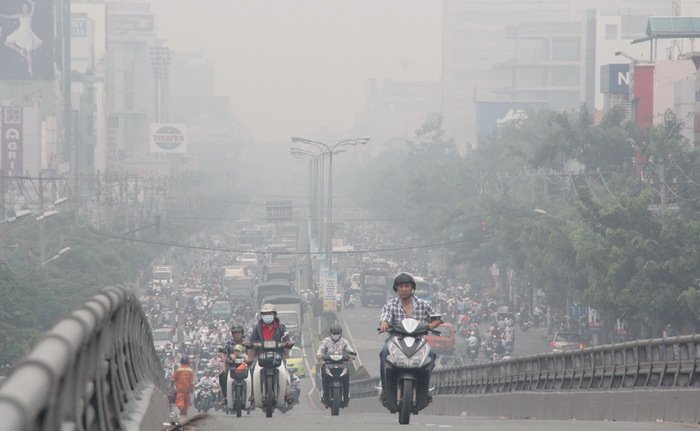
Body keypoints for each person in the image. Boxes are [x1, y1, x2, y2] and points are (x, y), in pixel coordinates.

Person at [378, 272, 442, 402]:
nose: (404, 289)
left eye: (407, 286)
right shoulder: (391, 305)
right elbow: (385, 318)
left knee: (432, 355)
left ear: (412, 288)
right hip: (395, 340)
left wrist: (429, 326)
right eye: (400, 286)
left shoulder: (423, 304)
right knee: (384, 353)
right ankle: (385, 389)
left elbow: (437, 319)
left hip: (419, 341)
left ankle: (425, 388)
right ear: (396, 289)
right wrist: (384, 324)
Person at [249, 303, 295, 405]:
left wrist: (288, 342)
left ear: (274, 314)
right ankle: (252, 393)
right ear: (262, 315)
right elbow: (251, 340)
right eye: (265, 314)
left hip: (277, 355)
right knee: (252, 369)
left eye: (269, 313)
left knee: (284, 371)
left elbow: (286, 338)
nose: (267, 315)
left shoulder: (281, 327)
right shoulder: (258, 328)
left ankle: (287, 393)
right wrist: (249, 343)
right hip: (261, 355)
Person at [316, 323, 356, 407]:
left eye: (337, 334)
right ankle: (324, 394)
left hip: (341, 364)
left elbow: (350, 350)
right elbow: (320, 349)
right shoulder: (326, 341)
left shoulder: (344, 342)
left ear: (340, 333)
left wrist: (352, 355)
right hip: (328, 364)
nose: (335, 336)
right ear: (330, 333)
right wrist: (319, 355)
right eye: (334, 334)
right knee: (323, 371)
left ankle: (346, 397)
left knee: (346, 376)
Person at [0, 0, 41, 77]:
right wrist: (1, 15)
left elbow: (33, 5)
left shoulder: (30, 15)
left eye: (26, 7)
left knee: (29, 53)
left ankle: (31, 69)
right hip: (20, 32)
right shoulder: (19, 15)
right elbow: (9, 16)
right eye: (23, 7)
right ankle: (20, 51)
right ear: (22, 9)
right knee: (7, 42)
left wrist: (32, 3)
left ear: (28, 9)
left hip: (28, 34)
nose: (24, 8)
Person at [218, 324, 250, 405]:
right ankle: (225, 397)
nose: (237, 335)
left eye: (238, 333)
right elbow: (223, 353)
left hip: (245, 366)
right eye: (235, 333)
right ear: (232, 334)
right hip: (231, 367)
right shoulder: (228, 343)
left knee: (254, 374)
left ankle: (252, 395)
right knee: (222, 376)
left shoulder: (247, 342)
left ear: (242, 333)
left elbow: (252, 352)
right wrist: (223, 366)